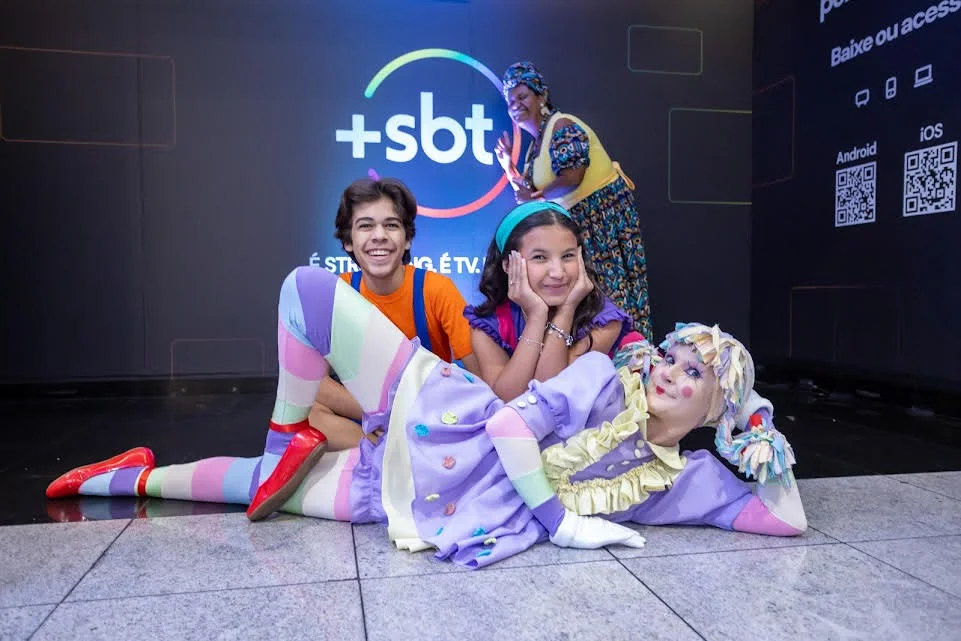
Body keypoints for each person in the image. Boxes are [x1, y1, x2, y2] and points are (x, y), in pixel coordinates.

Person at [46, 205, 804, 570]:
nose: (670, 371)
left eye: (696, 375)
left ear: (716, 407)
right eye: (673, 358)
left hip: (427, 499)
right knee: (305, 292)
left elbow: (788, 519)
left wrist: (757, 422)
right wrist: (562, 524)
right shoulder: (604, 376)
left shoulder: (692, 478)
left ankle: (129, 473)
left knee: (253, 489)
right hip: (445, 419)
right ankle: (287, 431)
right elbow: (510, 419)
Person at [308, 177, 479, 452]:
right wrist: (381, 414)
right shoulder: (337, 292)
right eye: (365, 226)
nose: (379, 235)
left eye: (391, 225)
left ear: (407, 239)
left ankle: (389, 451)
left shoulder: (436, 290)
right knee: (307, 413)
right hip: (369, 417)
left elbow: (477, 373)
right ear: (348, 241)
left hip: (426, 412)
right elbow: (312, 381)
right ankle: (384, 453)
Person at [494, 61, 653, 342]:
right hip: (578, 230)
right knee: (588, 304)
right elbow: (531, 194)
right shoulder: (535, 146)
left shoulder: (562, 124)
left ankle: (631, 366)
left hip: (602, 222)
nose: (515, 104)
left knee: (614, 300)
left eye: (522, 96)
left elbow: (573, 174)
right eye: (510, 101)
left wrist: (536, 196)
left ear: (540, 96)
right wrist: (509, 167)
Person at [465, 201, 636, 401]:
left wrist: (566, 312)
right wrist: (537, 317)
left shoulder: (604, 319)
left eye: (568, 256)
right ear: (508, 265)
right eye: (540, 257)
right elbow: (508, 399)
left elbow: (551, 396)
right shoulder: (488, 326)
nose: (558, 272)